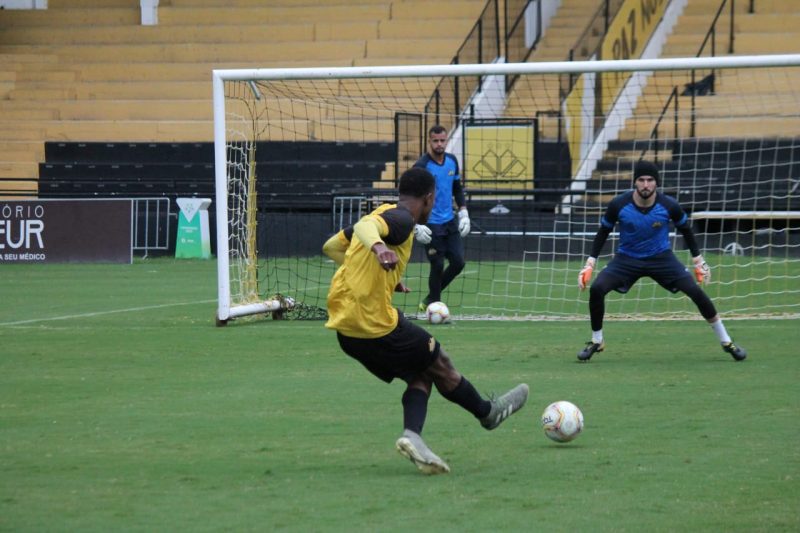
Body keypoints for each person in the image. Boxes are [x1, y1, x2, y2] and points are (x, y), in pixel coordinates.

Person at [323, 167, 528, 475]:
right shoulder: (403, 219)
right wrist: (379, 249)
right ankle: (489, 413)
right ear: (429, 198)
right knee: (439, 360)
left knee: (422, 372)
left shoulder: (386, 212)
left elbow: (332, 246)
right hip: (374, 325)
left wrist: (383, 276)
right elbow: (367, 226)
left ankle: (413, 437)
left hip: (346, 331)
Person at [576, 160, 747, 362]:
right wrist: (590, 263)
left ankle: (727, 341)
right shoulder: (618, 204)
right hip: (627, 259)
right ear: (635, 182)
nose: (646, 185)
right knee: (597, 289)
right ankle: (597, 341)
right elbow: (603, 231)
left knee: (695, 291)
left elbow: (686, 230)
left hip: (661, 258)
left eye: (650, 180)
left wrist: (698, 261)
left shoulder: (669, 205)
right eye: (641, 180)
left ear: (657, 182)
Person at [412, 124, 470, 311]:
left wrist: (463, 212)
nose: (439, 144)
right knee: (437, 264)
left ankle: (431, 297)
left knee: (458, 263)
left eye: (442, 140)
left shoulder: (452, 161)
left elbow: (457, 188)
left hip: (450, 222)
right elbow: (411, 196)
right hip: (429, 224)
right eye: (435, 141)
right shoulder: (421, 166)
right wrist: (415, 224)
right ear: (429, 142)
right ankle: (435, 306)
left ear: (446, 140)